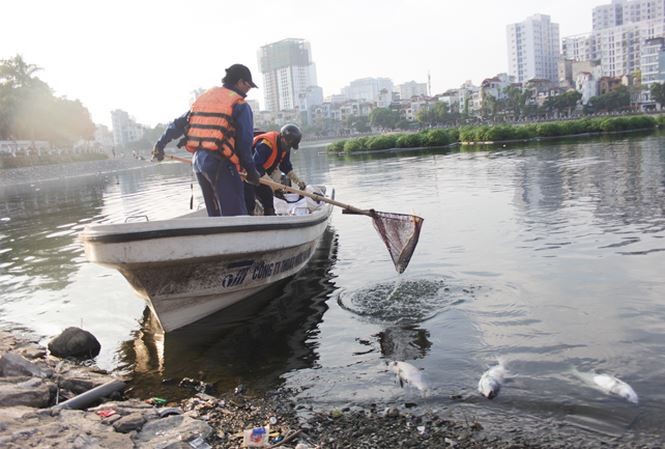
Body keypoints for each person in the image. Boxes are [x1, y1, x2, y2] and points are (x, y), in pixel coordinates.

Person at [151, 64, 261, 216]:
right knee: (235, 217)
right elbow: (244, 142)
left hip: (199, 163)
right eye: (248, 86)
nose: (248, 92)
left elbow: (177, 124)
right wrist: (251, 170)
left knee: (215, 215)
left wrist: (160, 144)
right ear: (240, 82)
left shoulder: (205, 98)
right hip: (221, 164)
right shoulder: (240, 105)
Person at [244, 124, 307, 215]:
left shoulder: (286, 148)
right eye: (288, 145)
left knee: (268, 196)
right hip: (248, 175)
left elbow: (286, 167)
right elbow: (256, 166)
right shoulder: (266, 145)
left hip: (261, 175)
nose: (288, 148)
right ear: (282, 138)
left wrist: (298, 181)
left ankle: (270, 217)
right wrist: (273, 184)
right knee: (249, 201)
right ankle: (250, 220)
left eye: (290, 146)